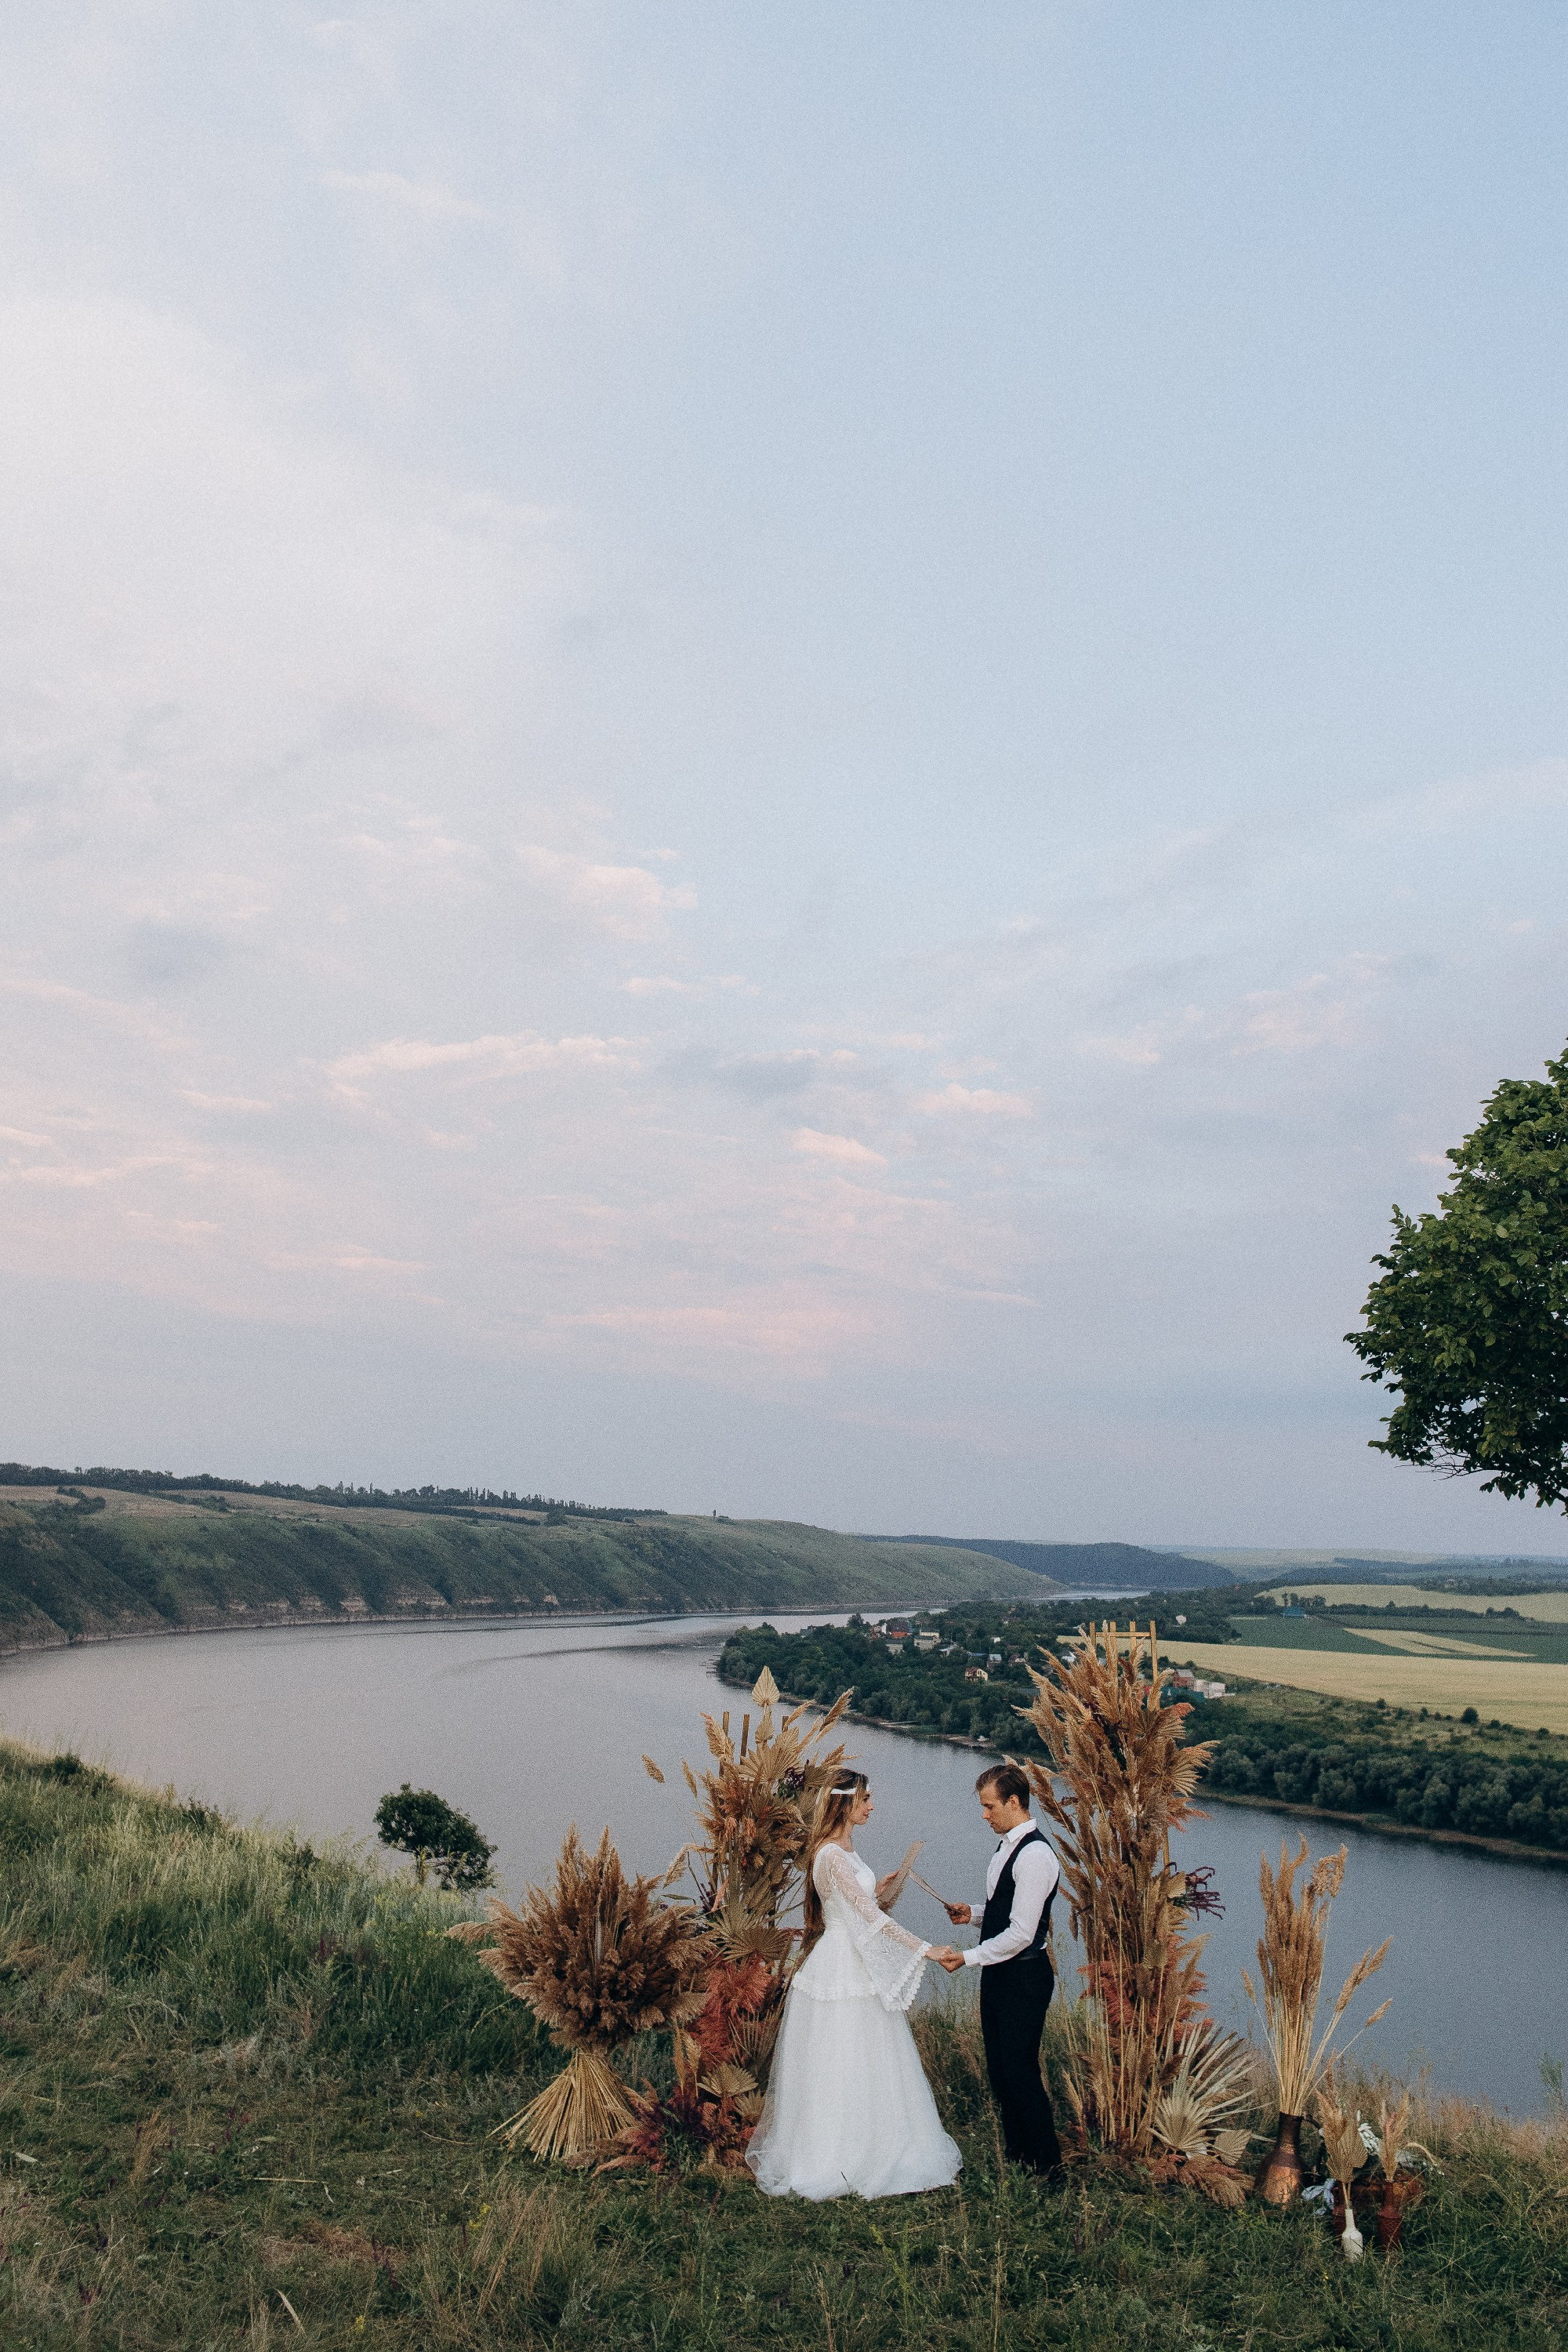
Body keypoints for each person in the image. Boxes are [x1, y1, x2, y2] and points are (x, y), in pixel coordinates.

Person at [746, 1771, 964, 2200]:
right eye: (866, 1799)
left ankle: (874, 2144)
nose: (872, 1806)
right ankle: (835, 2157)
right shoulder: (829, 1854)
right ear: (844, 1804)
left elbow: (862, 1906)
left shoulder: (847, 1849)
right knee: (840, 2060)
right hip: (839, 1968)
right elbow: (869, 1918)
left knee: (868, 2058)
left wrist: (880, 1889)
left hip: (853, 1961)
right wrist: (925, 1949)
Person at [935, 1762, 1064, 2178]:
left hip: (1025, 1976)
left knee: (1021, 2070)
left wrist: (968, 1957)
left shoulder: (1037, 1855)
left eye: (990, 1806)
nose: (984, 1815)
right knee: (1000, 2069)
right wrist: (971, 1914)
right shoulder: (1007, 1845)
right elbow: (1003, 1912)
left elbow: (1023, 1933)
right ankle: (1019, 2156)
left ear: (1014, 1801)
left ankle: (1047, 2167)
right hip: (1001, 1974)